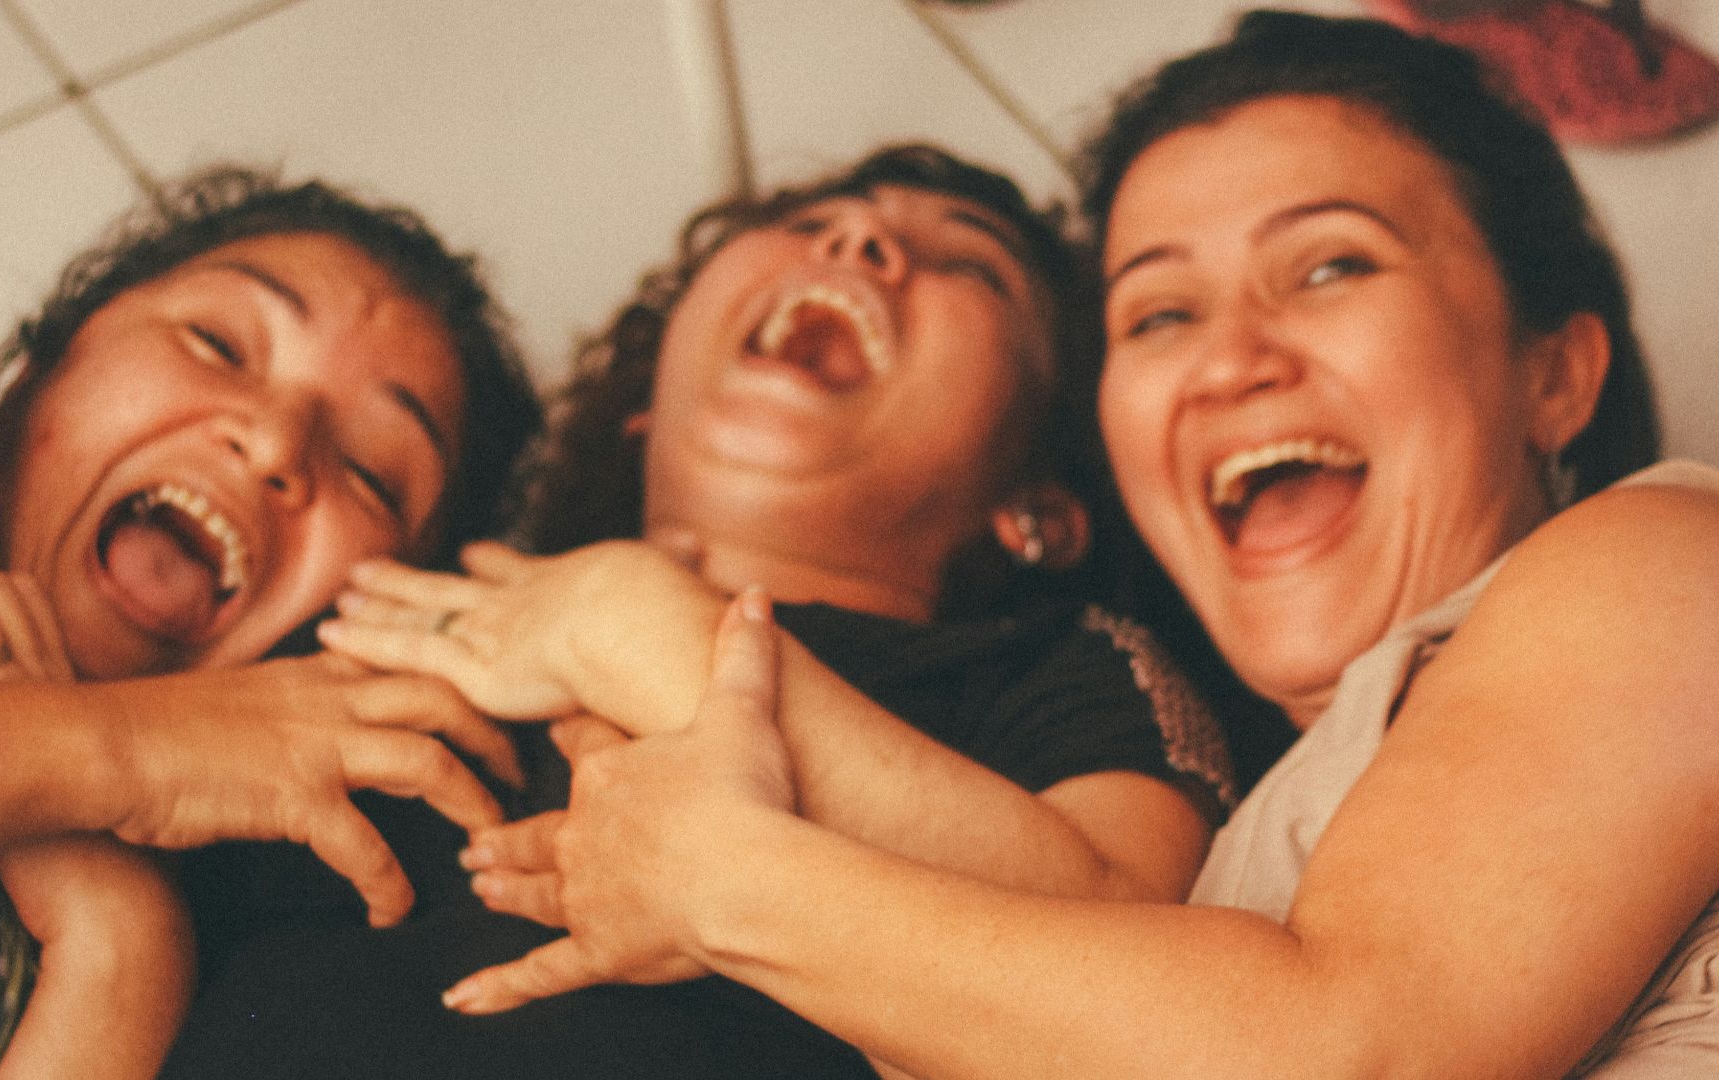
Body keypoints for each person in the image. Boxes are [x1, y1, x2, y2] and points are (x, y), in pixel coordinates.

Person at [412, 12, 1719, 1079]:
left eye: (1330, 268)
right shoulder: (1233, 876)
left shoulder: (1661, 561)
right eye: (1157, 314)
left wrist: (729, 885)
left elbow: (1352, 1051)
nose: (1227, 357)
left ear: (1556, 374)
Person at [158, 144, 1233, 1079]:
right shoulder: (411, 605)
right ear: (641, 404)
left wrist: (643, 629)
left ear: (1037, 508)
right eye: (808, 224)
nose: (862, 241)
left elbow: (1133, 974)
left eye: (968, 267)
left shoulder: (1059, 663)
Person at [0, 166, 540, 1078]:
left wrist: (121, 952)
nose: (274, 443)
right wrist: (116, 750)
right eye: (216, 342)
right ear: (46, 354)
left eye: (372, 475)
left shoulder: (162, 935)